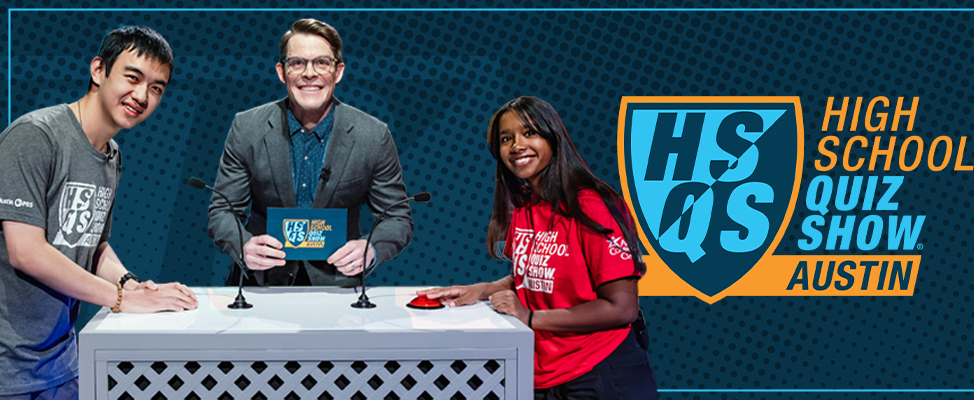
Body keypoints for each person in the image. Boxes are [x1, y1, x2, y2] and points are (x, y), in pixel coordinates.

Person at [0, 26, 199, 399]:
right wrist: (122, 299)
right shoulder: (35, 135)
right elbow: (25, 251)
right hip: (9, 370)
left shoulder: (111, 155)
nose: (142, 96)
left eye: (156, 88)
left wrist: (130, 283)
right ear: (98, 70)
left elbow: (93, 244)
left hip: (61, 363)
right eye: (133, 77)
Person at [419, 96, 657, 399]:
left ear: (553, 138)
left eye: (529, 133)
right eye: (506, 138)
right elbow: (532, 276)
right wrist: (482, 290)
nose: (517, 145)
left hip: (599, 371)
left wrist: (530, 317)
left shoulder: (592, 205)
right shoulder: (526, 206)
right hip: (544, 372)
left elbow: (621, 308)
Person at [207, 18, 413, 287]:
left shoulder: (373, 135)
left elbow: (397, 217)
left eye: (322, 63)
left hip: (338, 285)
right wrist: (244, 246)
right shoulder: (247, 128)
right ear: (282, 72)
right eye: (297, 63)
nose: (309, 73)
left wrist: (371, 248)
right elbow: (222, 211)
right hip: (261, 283)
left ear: (338, 72)